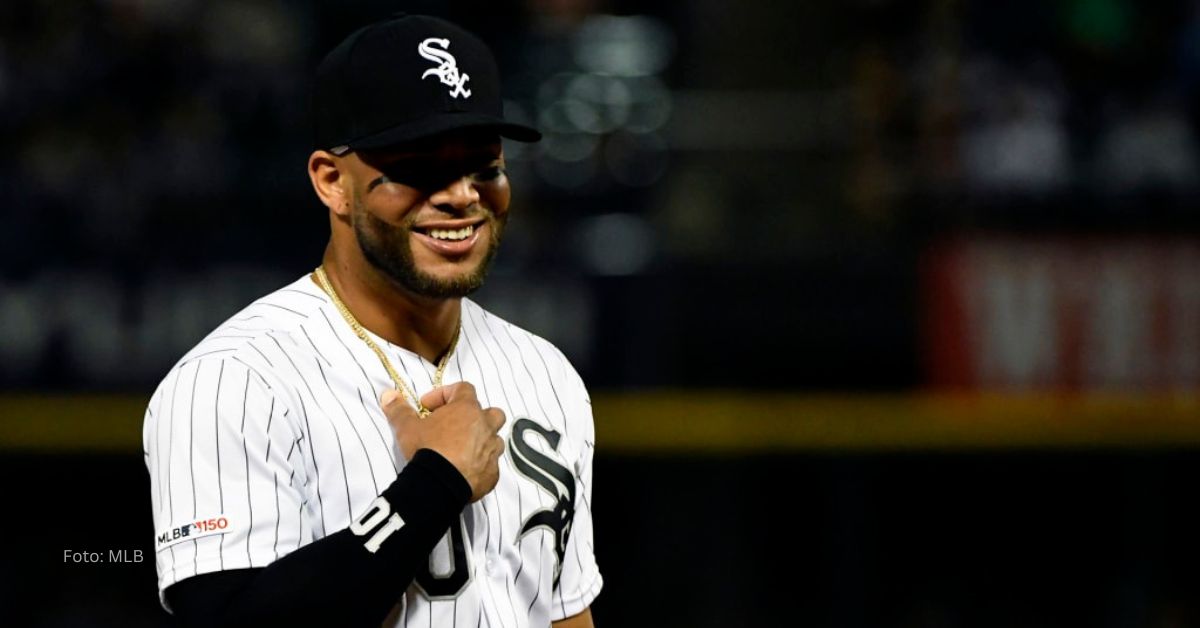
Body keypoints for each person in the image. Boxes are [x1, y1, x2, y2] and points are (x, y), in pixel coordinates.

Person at [142, 14, 601, 628]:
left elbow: (562, 612)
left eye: (485, 167)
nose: (462, 195)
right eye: (419, 168)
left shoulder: (546, 372)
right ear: (333, 182)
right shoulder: (233, 381)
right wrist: (432, 488)